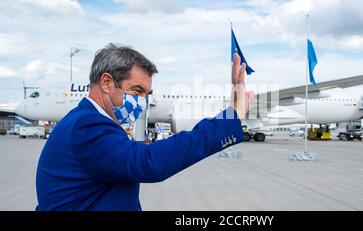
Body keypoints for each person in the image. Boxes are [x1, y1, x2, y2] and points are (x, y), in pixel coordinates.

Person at [35, 44, 253, 211]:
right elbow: (148, 162)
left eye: (145, 94)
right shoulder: (87, 125)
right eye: (136, 90)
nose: (142, 101)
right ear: (107, 83)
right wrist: (230, 118)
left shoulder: (85, 121)